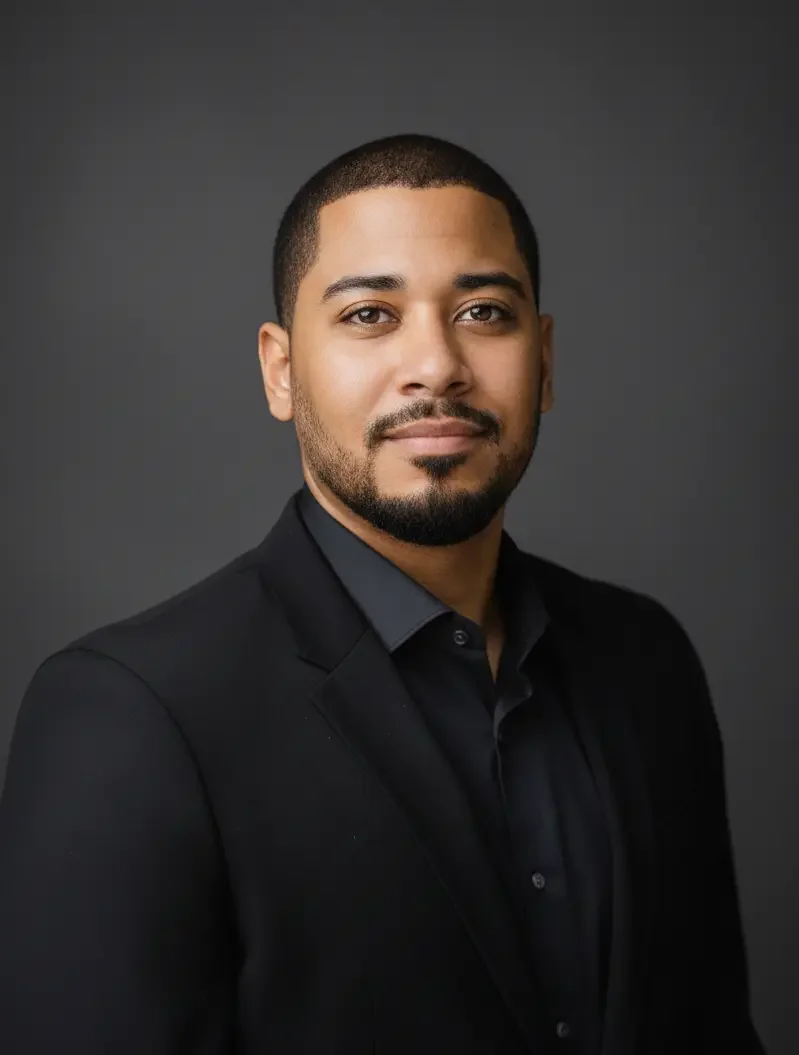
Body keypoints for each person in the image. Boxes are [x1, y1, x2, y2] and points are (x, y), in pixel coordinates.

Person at [0, 133, 765, 1055]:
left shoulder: (645, 659)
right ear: (281, 370)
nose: (436, 364)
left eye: (483, 311)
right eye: (369, 314)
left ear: (545, 360)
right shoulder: (128, 715)